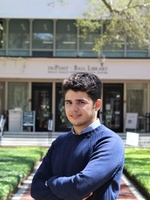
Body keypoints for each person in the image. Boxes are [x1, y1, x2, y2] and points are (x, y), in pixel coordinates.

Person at [31, 72, 124, 200]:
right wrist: (69, 191)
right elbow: (36, 188)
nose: (73, 108)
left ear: (97, 105)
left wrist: (51, 182)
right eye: (68, 102)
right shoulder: (60, 142)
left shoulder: (109, 142)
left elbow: (79, 187)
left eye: (80, 102)